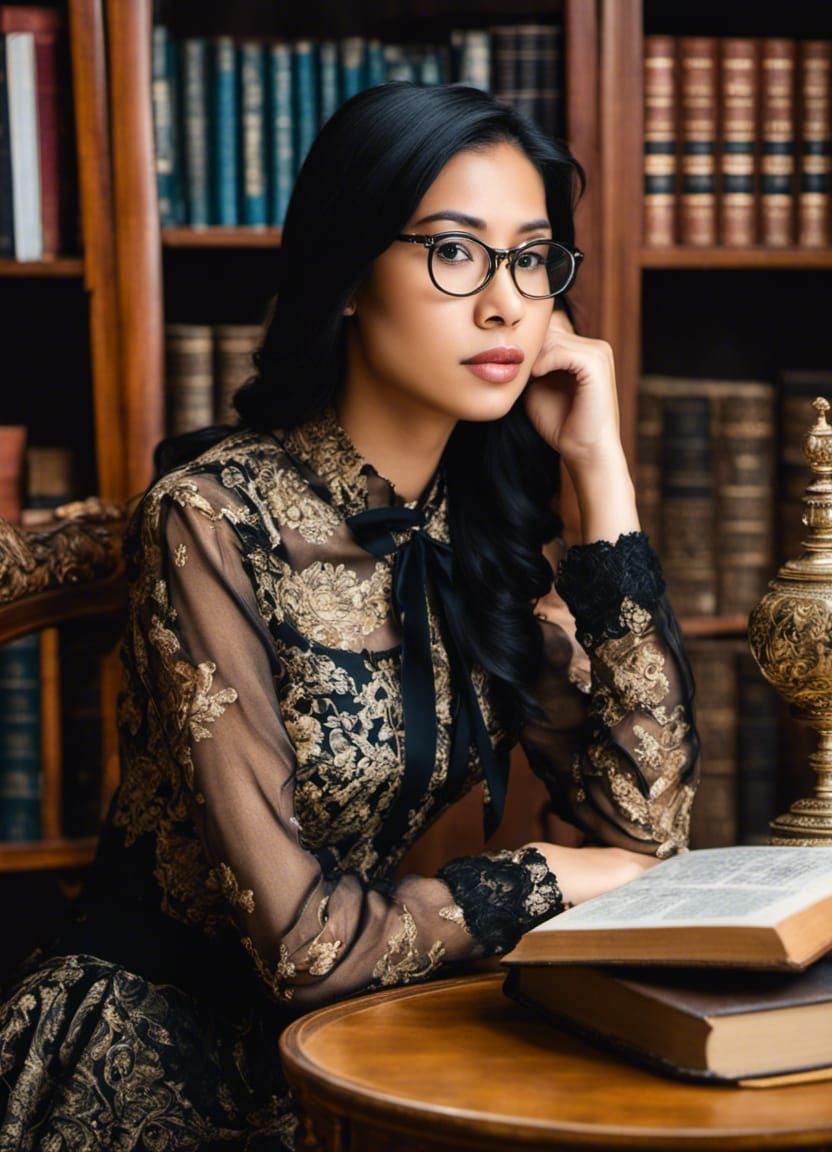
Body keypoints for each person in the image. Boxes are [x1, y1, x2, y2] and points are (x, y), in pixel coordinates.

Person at [0, 81, 699, 1150]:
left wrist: (601, 478)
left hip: (362, 1063)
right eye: (456, 252)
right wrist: (540, 877)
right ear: (345, 276)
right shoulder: (210, 517)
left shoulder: (473, 535)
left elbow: (645, 835)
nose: (507, 303)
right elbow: (302, 945)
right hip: (138, 1072)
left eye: (531, 257)